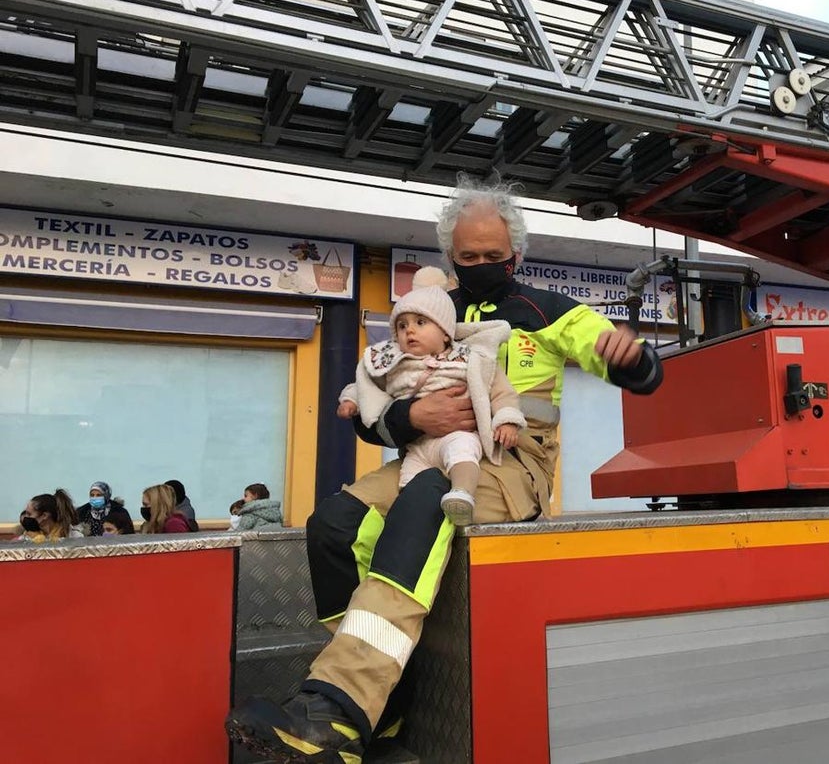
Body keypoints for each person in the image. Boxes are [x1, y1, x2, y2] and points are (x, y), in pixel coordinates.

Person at [227, 175, 663, 761]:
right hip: (420, 452)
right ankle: (379, 704)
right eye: (469, 256)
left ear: (517, 254)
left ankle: (335, 710)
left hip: (511, 462)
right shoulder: (426, 316)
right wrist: (413, 415)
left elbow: (639, 374)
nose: (482, 265)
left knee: (428, 498)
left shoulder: (555, 313)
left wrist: (633, 358)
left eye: (494, 256)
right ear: (449, 258)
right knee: (331, 523)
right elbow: (370, 416)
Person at [336, 265, 525, 525]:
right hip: (417, 446)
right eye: (402, 326)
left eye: (420, 322)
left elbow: (501, 392)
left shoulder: (470, 359)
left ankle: (462, 495)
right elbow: (365, 383)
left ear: (446, 333)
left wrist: (507, 420)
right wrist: (351, 400)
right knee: (410, 482)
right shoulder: (395, 364)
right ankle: (409, 519)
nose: (409, 331)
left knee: (462, 453)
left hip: (458, 433)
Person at [15, 490, 84, 542]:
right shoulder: (26, 538)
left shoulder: (74, 537)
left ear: (44, 516)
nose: (25, 517)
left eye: (29, 514)